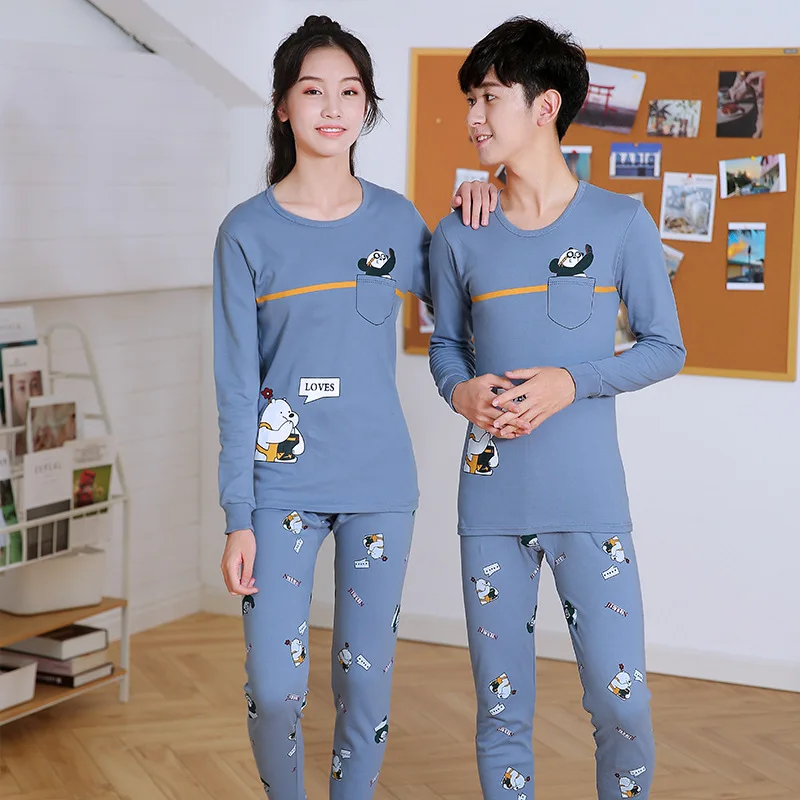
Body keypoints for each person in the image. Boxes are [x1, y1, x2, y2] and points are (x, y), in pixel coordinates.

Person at [212, 15, 495, 800]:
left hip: (378, 484)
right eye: (312, 91)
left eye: (349, 92)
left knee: (364, 685)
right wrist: (238, 515)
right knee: (276, 689)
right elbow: (234, 384)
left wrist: (486, 197)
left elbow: (469, 306)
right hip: (280, 489)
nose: (331, 108)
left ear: (366, 108)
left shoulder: (398, 221)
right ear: (283, 106)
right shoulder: (245, 233)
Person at [427, 17, 686, 800]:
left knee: (621, 703)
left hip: (588, 498)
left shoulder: (620, 222)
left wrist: (573, 382)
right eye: (470, 100)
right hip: (491, 499)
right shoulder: (460, 232)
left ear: (544, 107)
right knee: (501, 711)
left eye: (489, 97)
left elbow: (665, 347)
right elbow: (448, 348)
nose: (474, 116)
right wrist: (460, 390)